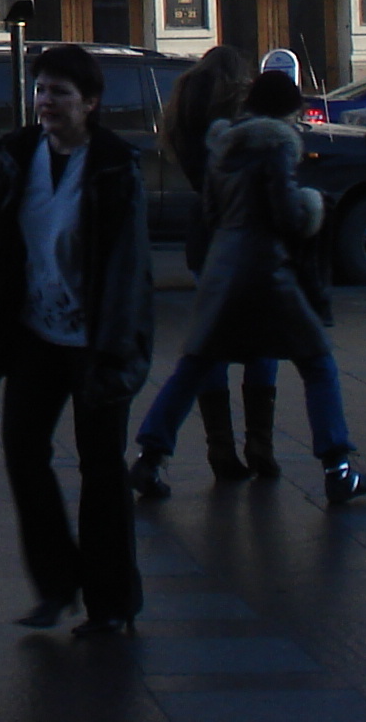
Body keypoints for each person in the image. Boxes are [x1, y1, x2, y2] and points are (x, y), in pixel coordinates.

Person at [0, 45, 153, 636]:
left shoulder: (116, 166)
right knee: (23, 454)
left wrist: (117, 345)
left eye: (60, 93)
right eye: (41, 90)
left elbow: (128, 265)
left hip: (97, 340)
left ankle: (112, 602)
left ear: (89, 103)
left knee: (102, 470)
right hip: (36, 333)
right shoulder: (18, 155)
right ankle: (56, 583)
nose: (46, 103)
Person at [130, 70, 366, 507]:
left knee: (193, 367)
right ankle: (337, 467)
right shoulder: (277, 145)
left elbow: (210, 211)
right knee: (318, 363)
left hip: (221, 271)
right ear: (292, 111)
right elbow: (287, 214)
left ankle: (149, 457)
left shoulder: (223, 147)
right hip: (266, 274)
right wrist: (312, 204)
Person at [128, 43, 276, 489]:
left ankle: (220, 447)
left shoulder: (184, 119)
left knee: (210, 347)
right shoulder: (238, 124)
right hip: (245, 238)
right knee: (261, 342)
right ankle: (259, 444)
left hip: (204, 237)